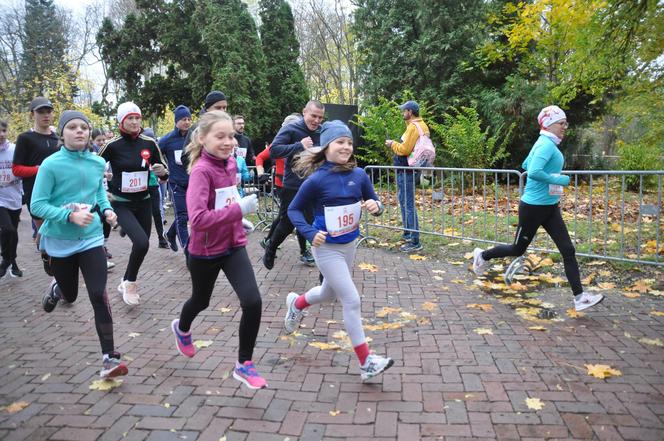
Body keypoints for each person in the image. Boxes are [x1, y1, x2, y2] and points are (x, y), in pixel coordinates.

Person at [285, 120, 394, 382]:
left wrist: (375, 206)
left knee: (328, 293)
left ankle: (296, 303)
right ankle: (366, 362)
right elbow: (294, 210)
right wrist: (310, 233)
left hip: (349, 245)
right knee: (351, 299)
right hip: (326, 248)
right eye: (340, 142)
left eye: (348, 142)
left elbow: (376, 201)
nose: (346, 146)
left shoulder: (359, 175)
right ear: (327, 146)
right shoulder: (317, 179)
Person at [471, 105, 604, 312]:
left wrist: (549, 179)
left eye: (565, 123)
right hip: (533, 208)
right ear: (550, 125)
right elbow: (532, 171)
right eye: (562, 123)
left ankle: (579, 297)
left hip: (550, 207)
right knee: (518, 249)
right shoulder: (546, 145)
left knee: (568, 250)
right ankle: (483, 256)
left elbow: (525, 163)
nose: (565, 127)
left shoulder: (545, 143)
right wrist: (559, 179)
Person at [170, 111, 267, 390]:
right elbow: (197, 220)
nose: (228, 141)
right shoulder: (201, 170)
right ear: (202, 138)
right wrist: (239, 210)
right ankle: (182, 328)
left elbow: (226, 200)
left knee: (253, 301)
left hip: (233, 244)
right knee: (200, 301)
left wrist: (239, 218)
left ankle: (244, 364)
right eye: (220, 136)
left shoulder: (232, 165)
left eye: (231, 136)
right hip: (205, 250)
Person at [32, 110, 128, 379]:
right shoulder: (51, 165)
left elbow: (97, 192)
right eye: (72, 127)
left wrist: (107, 210)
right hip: (60, 240)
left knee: (99, 294)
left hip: (91, 238)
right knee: (71, 294)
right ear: (62, 133)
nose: (79, 132)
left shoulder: (97, 163)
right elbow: (36, 205)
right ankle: (57, 289)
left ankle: (109, 358)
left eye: (84, 127)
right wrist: (69, 215)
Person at [99, 102, 169, 305]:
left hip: (144, 202)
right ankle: (130, 283)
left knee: (142, 246)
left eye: (137, 117)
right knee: (141, 242)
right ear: (122, 121)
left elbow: (164, 170)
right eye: (130, 118)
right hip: (121, 203)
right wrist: (103, 190)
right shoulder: (112, 145)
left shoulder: (149, 142)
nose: (135, 121)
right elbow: (93, 165)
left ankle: (125, 280)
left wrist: (161, 172)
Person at [262, 101, 325, 270]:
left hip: (315, 185)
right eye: (313, 116)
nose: (316, 120)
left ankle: (324, 269)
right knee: (288, 223)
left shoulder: (323, 131)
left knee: (316, 223)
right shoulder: (291, 129)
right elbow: (274, 151)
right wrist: (300, 146)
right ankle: (271, 247)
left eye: (320, 117)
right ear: (304, 112)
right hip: (293, 185)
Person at [12, 97, 60, 274]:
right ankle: (47, 256)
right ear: (32, 114)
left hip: (58, 193)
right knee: (46, 231)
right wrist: (39, 170)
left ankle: (58, 265)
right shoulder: (25, 138)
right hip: (36, 194)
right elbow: (16, 169)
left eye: (48, 111)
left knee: (56, 231)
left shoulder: (58, 138)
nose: (46, 115)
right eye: (41, 112)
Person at [256, 113, 310, 261]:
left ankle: (270, 242)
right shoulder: (279, 143)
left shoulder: (305, 143)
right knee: (289, 217)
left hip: (300, 184)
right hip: (283, 186)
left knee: (288, 216)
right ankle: (302, 251)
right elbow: (260, 157)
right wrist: (261, 173)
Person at [385, 100, 426, 253]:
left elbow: (404, 150)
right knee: (403, 200)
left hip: (406, 170)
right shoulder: (420, 125)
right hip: (410, 169)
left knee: (408, 204)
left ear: (410, 112)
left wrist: (392, 144)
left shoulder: (413, 127)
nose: (403, 113)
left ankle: (415, 241)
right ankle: (408, 233)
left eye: (404, 111)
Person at [159, 105, 192, 252]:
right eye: (183, 119)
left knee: (190, 214)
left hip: (193, 182)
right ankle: (188, 251)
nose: (187, 122)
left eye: (189, 119)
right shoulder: (167, 140)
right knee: (182, 216)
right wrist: (163, 171)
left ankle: (171, 234)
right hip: (176, 183)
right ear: (176, 121)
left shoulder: (194, 137)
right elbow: (156, 154)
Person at [181, 91, 228, 172]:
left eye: (224, 108)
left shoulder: (227, 127)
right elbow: (185, 157)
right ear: (207, 108)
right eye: (218, 108)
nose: (222, 111)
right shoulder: (198, 128)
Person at [0, 120, 23, 278]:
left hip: (15, 197)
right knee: (8, 229)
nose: (1, 134)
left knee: (11, 232)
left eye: (3, 130)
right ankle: (6, 261)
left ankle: (11, 261)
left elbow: (23, 168)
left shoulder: (15, 149)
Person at [142, 127, 169, 249]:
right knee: (139, 211)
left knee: (156, 211)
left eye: (152, 137)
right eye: (148, 137)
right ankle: (126, 229)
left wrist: (162, 174)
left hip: (153, 185)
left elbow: (163, 165)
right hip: (140, 187)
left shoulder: (155, 149)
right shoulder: (139, 149)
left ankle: (161, 239)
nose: (150, 139)